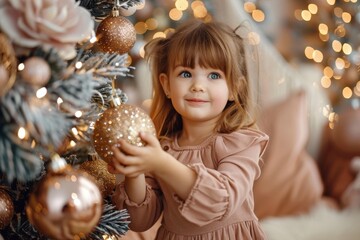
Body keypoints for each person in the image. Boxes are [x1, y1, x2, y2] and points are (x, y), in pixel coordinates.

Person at [109, 19, 269, 240]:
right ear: (166, 85)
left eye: (214, 75)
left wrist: (160, 164)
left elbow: (220, 201)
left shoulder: (241, 143)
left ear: (234, 88)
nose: (198, 85)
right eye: (186, 73)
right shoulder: (162, 147)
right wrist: (135, 171)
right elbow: (139, 220)